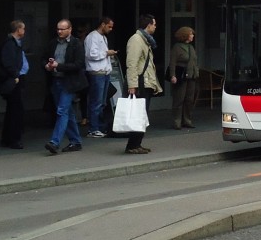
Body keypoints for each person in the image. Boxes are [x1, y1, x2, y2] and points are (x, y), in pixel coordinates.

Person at [44, 19, 87, 155]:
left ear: (70, 29)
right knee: (67, 112)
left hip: (69, 82)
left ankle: (55, 142)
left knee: (62, 111)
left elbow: (79, 64)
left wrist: (59, 66)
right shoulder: (53, 43)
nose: (59, 31)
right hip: (56, 80)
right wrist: (47, 65)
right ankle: (75, 141)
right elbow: (44, 57)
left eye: (62, 29)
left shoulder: (76, 44)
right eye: (58, 29)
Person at [124, 14, 162, 154]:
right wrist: (132, 85)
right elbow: (132, 64)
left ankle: (137, 144)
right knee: (138, 115)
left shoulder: (145, 40)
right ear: (149, 25)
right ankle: (132, 145)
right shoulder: (136, 40)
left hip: (145, 82)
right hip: (141, 83)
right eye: (154, 24)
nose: (155, 27)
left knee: (141, 115)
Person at [84, 16, 118, 138]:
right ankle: (93, 128)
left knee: (102, 102)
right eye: (109, 26)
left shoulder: (103, 37)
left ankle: (99, 126)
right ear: (103, 24)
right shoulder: (92, 37)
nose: (110, 29)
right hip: (97, 73)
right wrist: (106, 53)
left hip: (104, 72)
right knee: (96, 102)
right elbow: (91, 54)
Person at [0, 20, 29, 149]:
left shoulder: (16, 43)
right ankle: (13, 139)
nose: (24, 31)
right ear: (18, 30)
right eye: (23, 28)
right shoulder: (10, 44)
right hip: (14, 80)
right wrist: (15, 75)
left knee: (14, 109)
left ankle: (9, 138)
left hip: (18, 78)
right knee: (15, 110)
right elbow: (8, 62)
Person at [169, 26, 199, 130]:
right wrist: (172, 75)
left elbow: (194, 62)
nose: (192, 36)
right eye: (191, 34)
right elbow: (172, 62)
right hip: (181, 76)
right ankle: (177, 121)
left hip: (191, 76)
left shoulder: (191, 47)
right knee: (179, 99)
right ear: (185, 35)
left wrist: (196, 73)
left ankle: (187, 120)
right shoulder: (177, 47)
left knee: (189, 100)